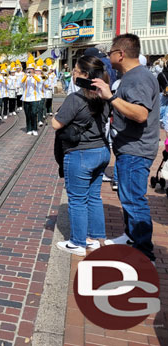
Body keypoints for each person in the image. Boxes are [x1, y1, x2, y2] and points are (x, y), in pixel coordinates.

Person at [93, 34, 159, 263]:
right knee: (127, 195)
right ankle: (132, 237)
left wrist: (111, 98)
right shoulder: (133, 76)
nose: (108, 57)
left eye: (110, 52)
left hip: (136, 148)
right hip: (129, 147)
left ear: (120, 54)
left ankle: (144, 250)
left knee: (133, 199)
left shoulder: (138, 78)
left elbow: (140, 114)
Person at [53, 56, 111, 256]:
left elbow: (56, 124)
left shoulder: (76, 98)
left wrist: (56, 114)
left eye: (76, 72)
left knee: (77, 199)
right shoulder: (105, 96)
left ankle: (78, 242)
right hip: (101, 151)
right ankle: (95, 238)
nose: (74, 75)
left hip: (81, 153)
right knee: (94, 196)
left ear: (86, 75)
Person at [22, 55, 42, 136]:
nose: (29, 71)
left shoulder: (37, 77)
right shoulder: (25, 77)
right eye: (28, 69)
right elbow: (20, 83)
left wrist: (33, 75)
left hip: (35, 98)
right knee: (27, 114)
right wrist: (26, 76)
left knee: (34, 113)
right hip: (26, 98)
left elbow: (40, 82)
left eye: (31, 69)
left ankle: (34, 128)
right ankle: (29, 128)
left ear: (34, 70)